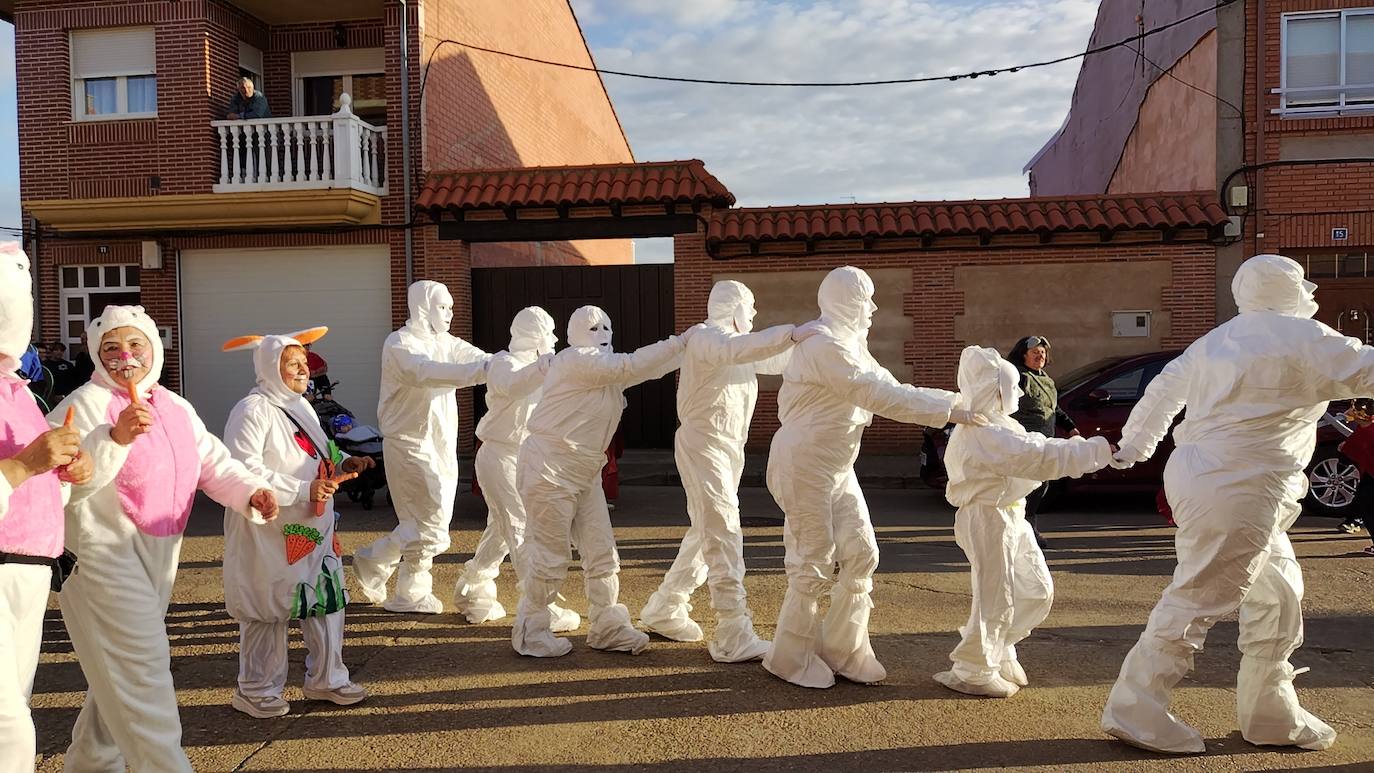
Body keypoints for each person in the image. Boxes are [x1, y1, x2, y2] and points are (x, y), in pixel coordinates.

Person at [1101, 254, 1374, 754]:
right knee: (1201, 595)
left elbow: (1162, 390)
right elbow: (1366, 369)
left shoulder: (1216, 339)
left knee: (1278, 592)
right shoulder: (1303, 336)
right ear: (1292, 289)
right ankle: (1136, 707)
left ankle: (1270, 710)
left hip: (1208, 476)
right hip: (1243, 484)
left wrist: (1134, 447)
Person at [50, 305, 279, 772]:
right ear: (95, 353)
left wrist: (251, 492)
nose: (124, 356)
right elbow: (57, 483)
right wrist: (114, 439)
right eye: (111, 347)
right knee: (143, 671)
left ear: (153, 349)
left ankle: (91, 764)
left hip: (158, 555)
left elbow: (213, 463)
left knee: (119, 673)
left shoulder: (173, 406)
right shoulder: (81, 405)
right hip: (97, 556)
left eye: (135, 344)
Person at [763, 266, 985, 689]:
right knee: (813, 557)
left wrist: (959, 401)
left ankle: (844, 650)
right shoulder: (826, 346)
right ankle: (790, 658)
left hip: (837, 466)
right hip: (804, 463)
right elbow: (875, 394)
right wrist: (950, 412)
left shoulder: (851, 346)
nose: (874, 308)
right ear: (846, 301)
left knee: (863, 552)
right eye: (867, 298)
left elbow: (890, 384)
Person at [639, 280, 813, 662]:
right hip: (705, 445)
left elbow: (775, 360)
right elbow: (740, 348)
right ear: (733, 309)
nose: (752, 316)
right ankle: (734, 630)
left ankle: (665, 606)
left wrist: (813, 347)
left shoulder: (738, 348)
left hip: (726, 448)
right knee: (724, 531)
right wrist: (792, 333)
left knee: (706, 530)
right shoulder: (707, 338)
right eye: (749, 308)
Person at [933, 346, 1113, 698]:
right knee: (995, 595)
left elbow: (1034, 444)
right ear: (993, 390)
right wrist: (1095, 451)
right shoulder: (986, 432)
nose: (1018, 393)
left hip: (1012, 514)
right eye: (1012, 387)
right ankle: (973, 668)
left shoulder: (1001, 424)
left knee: (1036, 589)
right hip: (988, 515)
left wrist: (1087, 449)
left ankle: (998, 648)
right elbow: (1037, 455)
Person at [511, 305, 691, 658]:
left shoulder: (603, 371)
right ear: (575, 333)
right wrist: (680, 341)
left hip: (584, 471)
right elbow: (631, 364)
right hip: (549, 469)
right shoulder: (575, 360)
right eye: (593, 328)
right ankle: (531, 630)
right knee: (550, 557)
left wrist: (687, 350)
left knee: (602, 553)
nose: (603, 333)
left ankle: (608, 625)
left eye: (608, 326)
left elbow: (647, 369)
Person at [221, 329, 374, 718]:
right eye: (293, 364)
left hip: (313, 525)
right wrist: (303, 489)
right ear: (271, 368)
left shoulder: (301, 405)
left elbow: (317, 455)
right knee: (267, 608)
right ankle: (256, 689)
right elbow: (243, 469)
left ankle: (328, 678)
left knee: (325, 600)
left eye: (304, 363)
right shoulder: (252, 410)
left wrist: (343, 465)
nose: (303, 370)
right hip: (269, 527)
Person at [0, 242, 93, 773]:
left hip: (31, 565)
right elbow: (18, 468)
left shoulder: (19, 391)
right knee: (7, 717)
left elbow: (37, 475)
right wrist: (25, 466)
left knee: (16, 697)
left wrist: (66, 472)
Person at [353, 281, 491, 614]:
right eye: (442, 307)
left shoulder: (445, 342)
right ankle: (374, 560)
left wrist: (513, 365)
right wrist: (484, 369)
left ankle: (409, 591)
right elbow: (426, 372)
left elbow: (480, 359)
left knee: (432, 521)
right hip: (408, 442)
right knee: (430, 523)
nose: (449, 314)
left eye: (451, 308)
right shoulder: (400, 343)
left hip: (441, 441)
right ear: (423, 307)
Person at [452, 307, 579, 629]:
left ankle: (473, 587)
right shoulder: (503, 363)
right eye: (546, 332)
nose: (551, 340)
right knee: (521, 527)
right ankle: (539, 604)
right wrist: (542, 367)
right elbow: (512, 385)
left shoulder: (544, 367)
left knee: (500, 529)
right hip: (500, 456)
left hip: (527, 456)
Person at [1006, 335, 1079, 549]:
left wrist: (1071, 427)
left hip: (1045, 442)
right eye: (1035, 353)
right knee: (1027, 486)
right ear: (1023, 355)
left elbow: (1053, 408)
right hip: (1026, 442)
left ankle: (1026, 528)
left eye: (1043, 353)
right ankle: (1025, 532)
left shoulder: (1046, 379)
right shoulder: (1019, 377)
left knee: (1041, 486)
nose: (1040, 356)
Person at [1335, 403, 1374, 554]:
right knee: (1363, 503)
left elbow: (1345, 459)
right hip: (1370, 475)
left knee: (1368, 509)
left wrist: (1343, 448)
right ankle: (1353, 519)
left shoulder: (1365, 433)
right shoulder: (1364, 430)